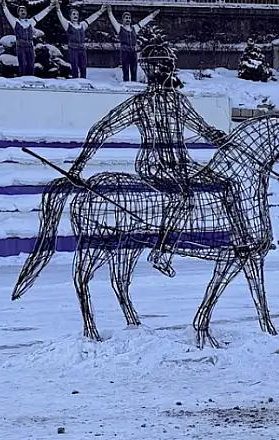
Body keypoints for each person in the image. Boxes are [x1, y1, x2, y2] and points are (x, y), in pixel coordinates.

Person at [67, 44, 233, 277]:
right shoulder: (140, 103)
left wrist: (221, 139)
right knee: (182, 196)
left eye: (167, 65)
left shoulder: (179, 102)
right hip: (154, 165)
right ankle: (162, 252)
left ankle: (235, 241)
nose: (165, 70)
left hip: (182, 163)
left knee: (227, 185)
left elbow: (203, 128)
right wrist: (79, 165)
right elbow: (102, 129)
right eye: (160, 65)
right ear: (150, 68)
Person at [3, 0, 55, 77]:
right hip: (20, 46)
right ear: (18, 13)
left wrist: (49, 8)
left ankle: (31, 79)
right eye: (21, 11)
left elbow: (40, 15)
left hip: (30, 46)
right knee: (22, 64)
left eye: (24, 10)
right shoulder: (15, 22)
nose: (23, 12)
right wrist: (4, 6)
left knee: (31, 64)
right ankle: (22, 78)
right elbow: (8, 15)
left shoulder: (30, 22)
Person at [55, 0, 105, 79]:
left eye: (77, 14)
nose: (75, 16)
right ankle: (75, 82)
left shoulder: (82, 25)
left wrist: (101, 11)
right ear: (70, 16)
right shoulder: (68, 25)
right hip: (73, 49)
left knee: (83, 67)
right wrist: (58, 8)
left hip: (82, 49)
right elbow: (60, 17)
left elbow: (91, 18)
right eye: (74, 14)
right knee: (74, 67)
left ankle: (83, 81)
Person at [107, 6, 156, 82]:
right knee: (125, 68)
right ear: (123, 19)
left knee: (134, 69)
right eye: (126, 18)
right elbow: (113, 20)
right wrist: (109, 12)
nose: (128, 20)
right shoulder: (120, 28)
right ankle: (126, 82)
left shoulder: (134, 28)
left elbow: (143, 22)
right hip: (124, 51)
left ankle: (134, 82)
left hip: (133, 51)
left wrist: (152, 15)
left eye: (129, 18)